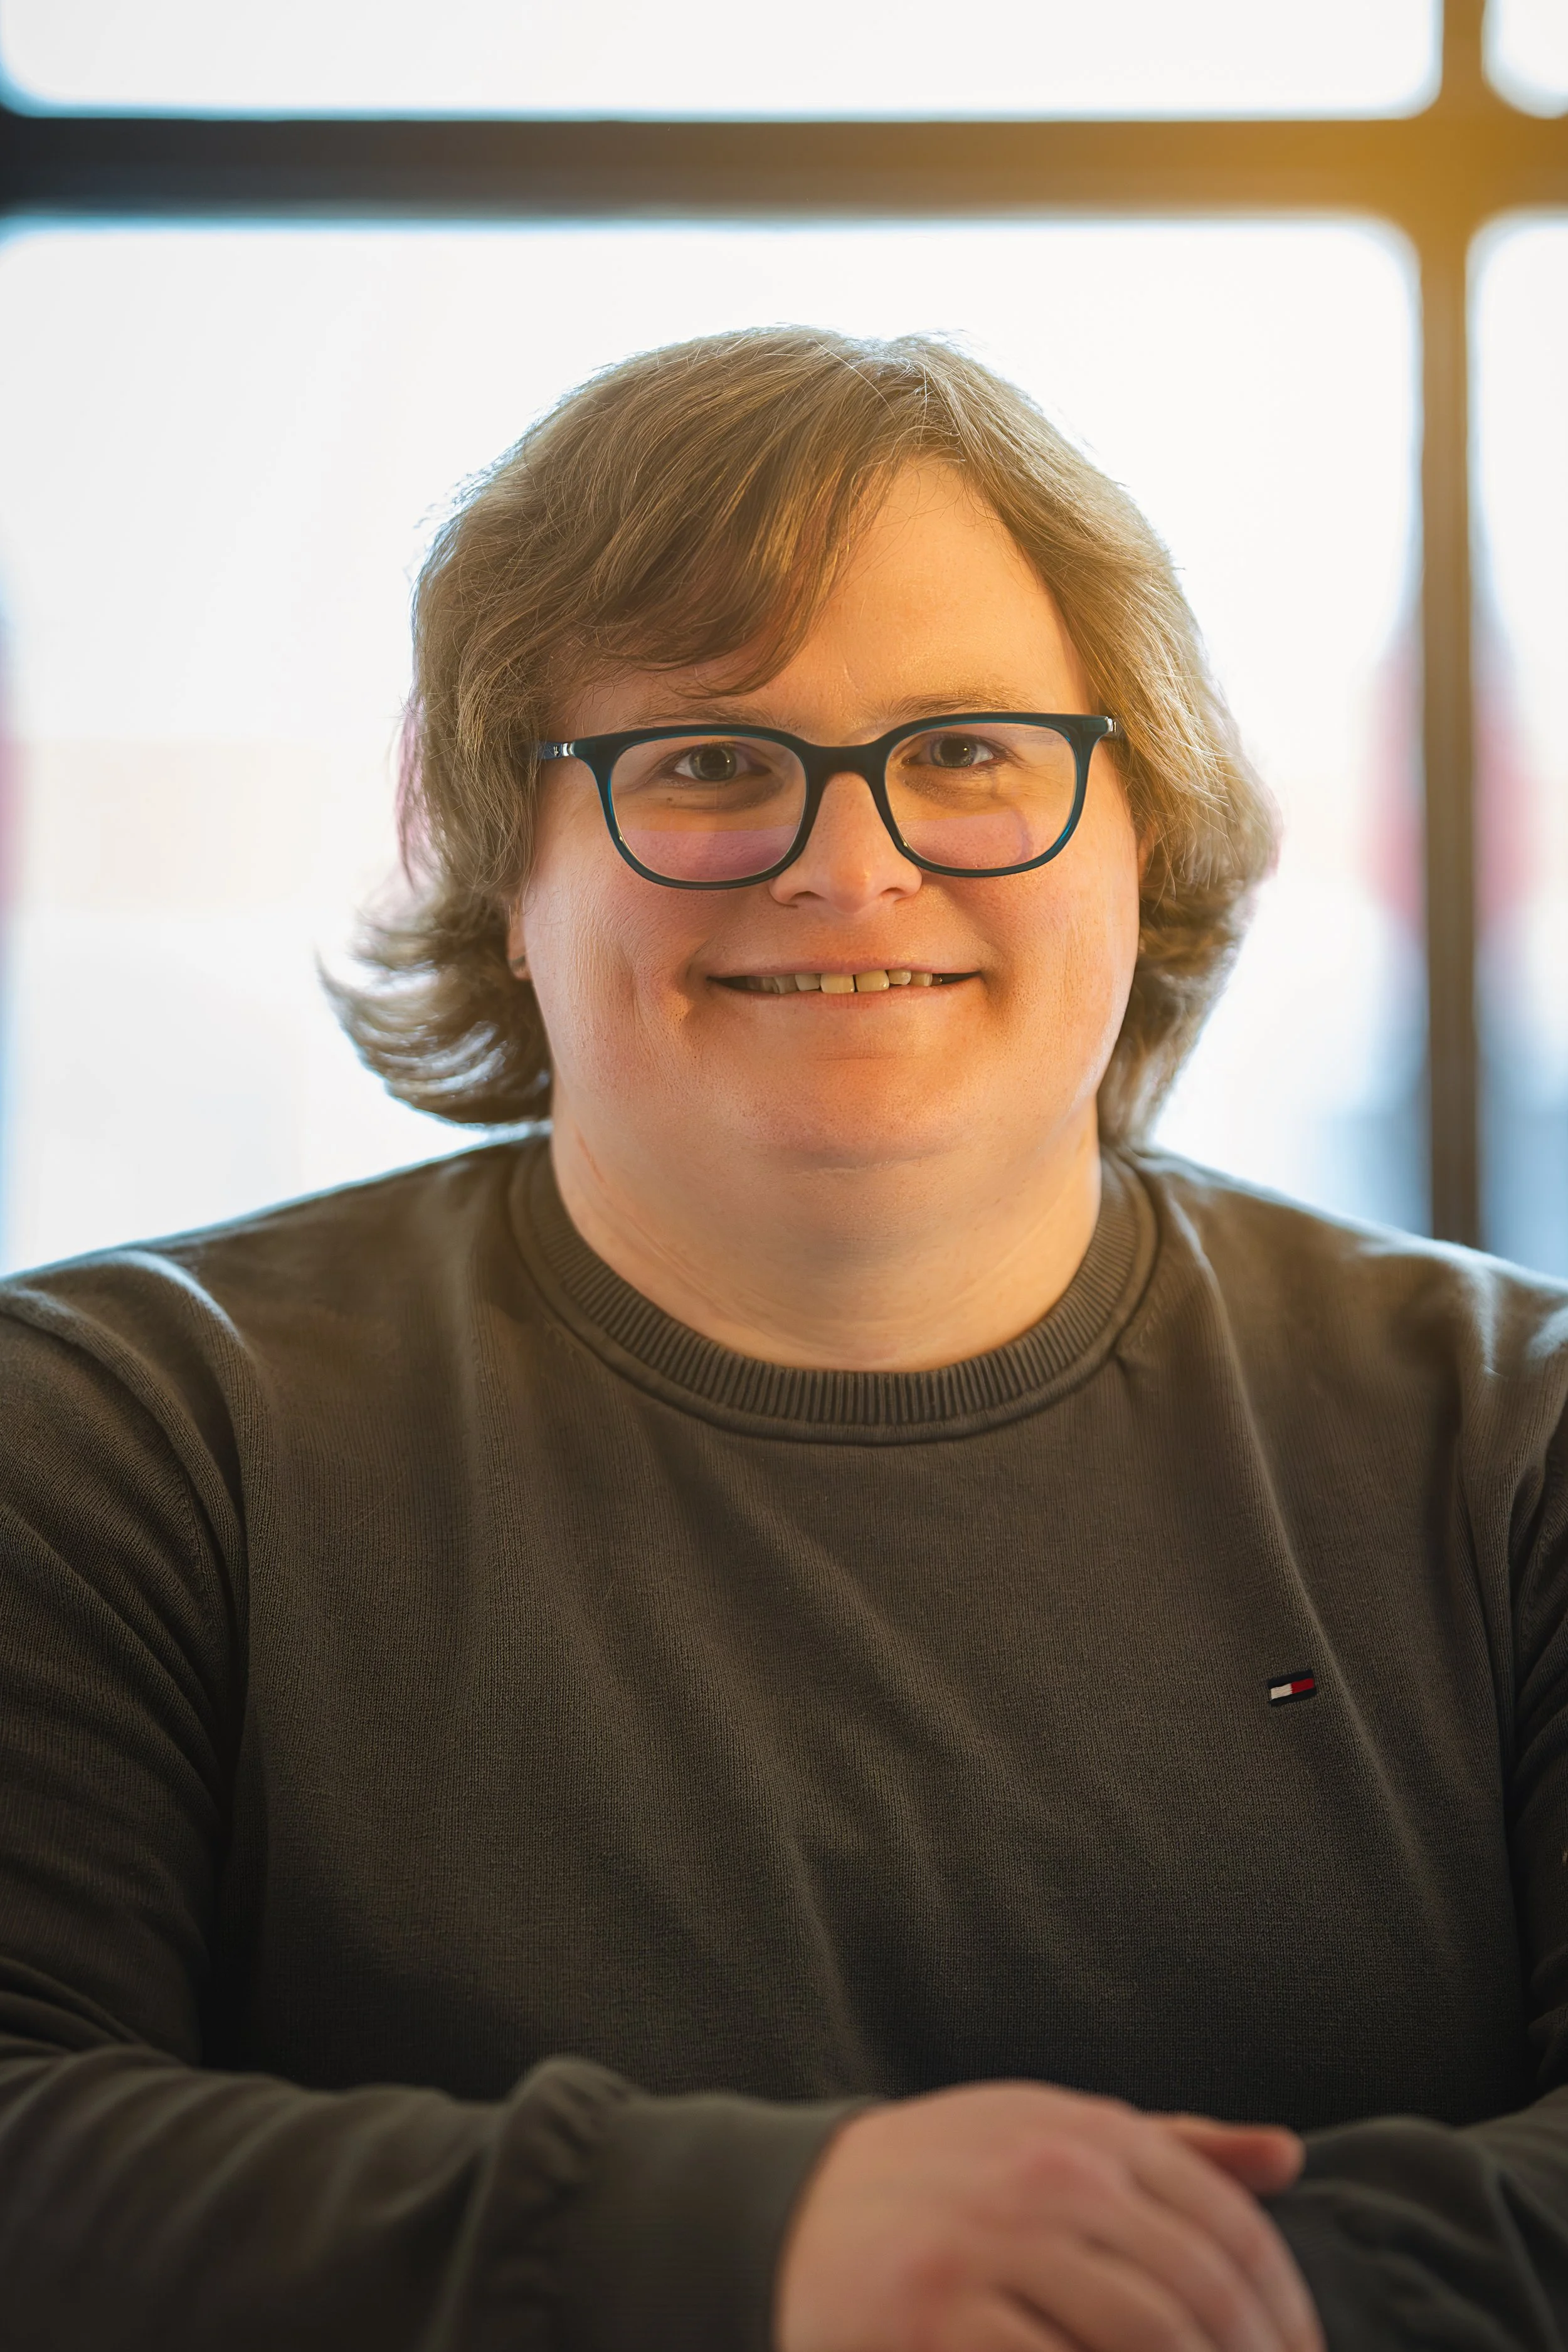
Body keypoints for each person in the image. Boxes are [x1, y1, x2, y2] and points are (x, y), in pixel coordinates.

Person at [2, 325, 1566, 2352]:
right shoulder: (115, 1436)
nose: (851, 864)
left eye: (972, 752)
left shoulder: (1515, 1443)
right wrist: (742, 2242)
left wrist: (1100, 2289)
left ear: (1140, 827)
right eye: (709, 762)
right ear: (503, 870)